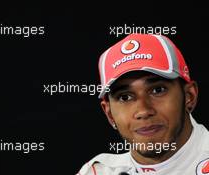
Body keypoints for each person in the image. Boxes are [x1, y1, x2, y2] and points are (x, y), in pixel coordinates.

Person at [76, 33, 209, 175]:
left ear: (190, 96)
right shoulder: (98, 172)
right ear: (109, 114)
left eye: (158, 90)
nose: (143, 111)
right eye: (125, 97)